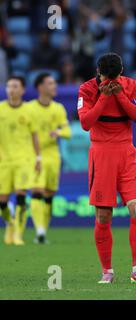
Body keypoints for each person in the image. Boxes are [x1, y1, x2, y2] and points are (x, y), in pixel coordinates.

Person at [77, 53, 136, 284]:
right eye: (107, 78)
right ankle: (107, 271)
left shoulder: (131, 85)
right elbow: (85, 123)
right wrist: (103, 97)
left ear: (121, 73)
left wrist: (120, 95)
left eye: (116, 78)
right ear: (98, 73)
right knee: (103, 216)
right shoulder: (86, 89)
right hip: (101, 154)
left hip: (126, 153)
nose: (111, 82)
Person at [30, 73, 72, 244]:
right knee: (37, 191)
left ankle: (42, 232)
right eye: (50, 83)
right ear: (40, 87)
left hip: (53, 156)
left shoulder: (58, 109)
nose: (54, 86)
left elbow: (68, 132)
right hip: (34, 156)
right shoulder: (30, 108)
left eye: (55, 83)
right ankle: (39, 230)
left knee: (49, 195)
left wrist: (58, 132)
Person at [0, 76, 41, 245]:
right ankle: (9, 223)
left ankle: (18, 233)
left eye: (15, 86)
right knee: (2, 200)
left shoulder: (29, 111)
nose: (11, 89)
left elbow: (35, 135)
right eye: (9, 86)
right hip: (4, 161)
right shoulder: (1, 109)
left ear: (22, 90)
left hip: (24, 159)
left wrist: (38, 157)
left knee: (21, 195)